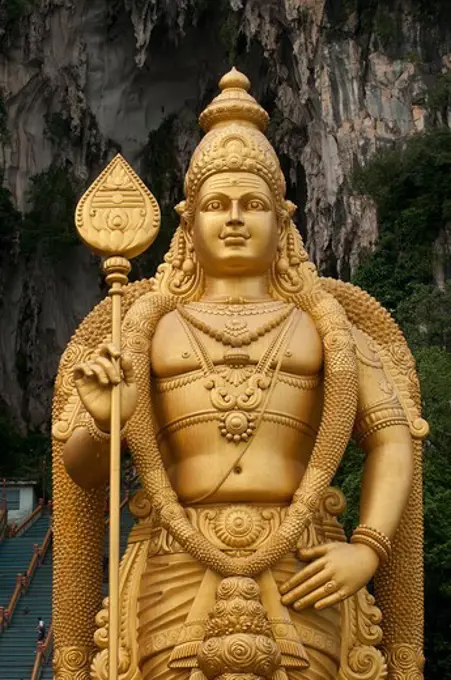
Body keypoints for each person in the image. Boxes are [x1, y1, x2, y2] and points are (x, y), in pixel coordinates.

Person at [52, 69, 427, 680]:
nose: (233, 219)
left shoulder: (327, 326)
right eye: (216, 205)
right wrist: (102, 418)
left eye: (252, 204)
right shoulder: (141, 331)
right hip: (172, 564)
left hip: (305, 559)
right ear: (188, 221)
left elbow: (391, 436)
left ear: (282, 219)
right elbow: (83, 472)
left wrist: (367, 548)